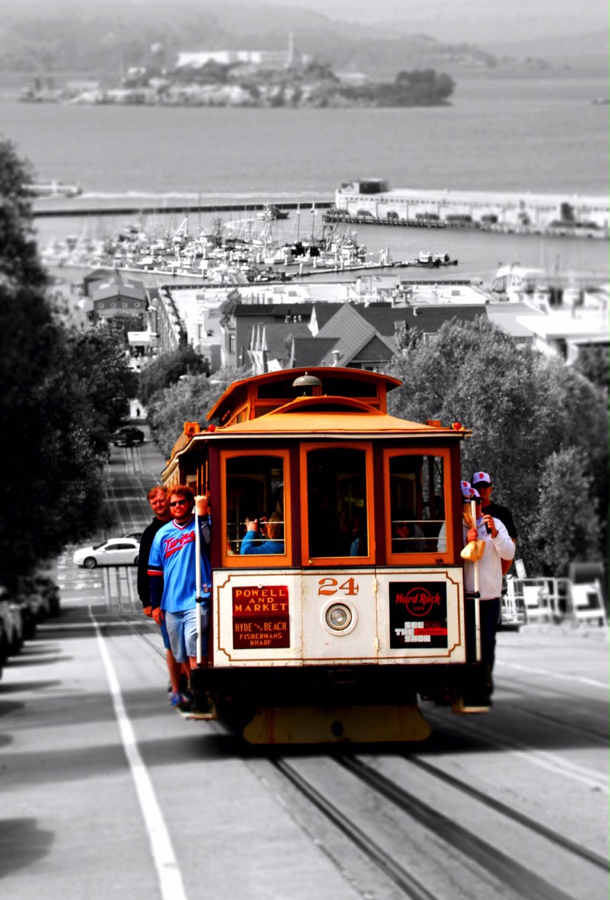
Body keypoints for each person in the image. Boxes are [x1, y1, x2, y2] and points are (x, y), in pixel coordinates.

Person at [148, 485, 212, 712]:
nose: (176, 507)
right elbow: (154, 573)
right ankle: (194, 690)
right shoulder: (162, 534)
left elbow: (208, 543)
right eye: (173, 503)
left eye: (181, 502)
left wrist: (202, 512)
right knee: (181, 651)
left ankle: (200, 694)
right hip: (171, 602)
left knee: (195, 645)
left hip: (197, 597)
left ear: (190, 503)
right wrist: (155, 605)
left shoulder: (201, 522)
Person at [462, 486, 515, 710]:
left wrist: (494, 534)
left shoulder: (494, 523)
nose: (474, 507)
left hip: (489, 595)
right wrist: (465, 541)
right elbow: (442, 553)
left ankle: (483, 687)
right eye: (469, 503)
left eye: (477, 502)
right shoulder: (453, 525)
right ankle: (466, 688)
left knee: (487, 644)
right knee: (466, 647)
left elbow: (509, 553)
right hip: (464, 596)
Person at [137, 485, 189, 698]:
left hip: (187, 592)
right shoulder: (151, 533)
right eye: (154, 503)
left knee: (189, 643)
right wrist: (147, 601)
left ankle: (189, 683)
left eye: (161, 500)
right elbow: (144, 569)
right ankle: (177, 686)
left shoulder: (185, 523)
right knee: (172, 644)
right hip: (165, 598)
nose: (159, 505)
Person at [472, 471, 518, 575]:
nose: (481, 489)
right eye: (478, 486)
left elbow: (510, 546)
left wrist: (500, 576)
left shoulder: (502, 513)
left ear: (490, 489)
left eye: (485, 486)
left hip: (493, 578)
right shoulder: (465, 514)